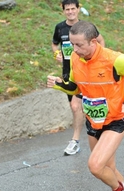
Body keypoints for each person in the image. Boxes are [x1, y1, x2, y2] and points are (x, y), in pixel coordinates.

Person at [47, 21, 124, 191]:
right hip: (93, 121)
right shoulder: (76, 58)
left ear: (93, 42)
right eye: (72, 45)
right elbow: (76, 88)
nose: (74, 50)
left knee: (94, 165)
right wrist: (59, 85)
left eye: (79, 45)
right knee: (108, 168)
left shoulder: (114, 59)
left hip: (116, 120)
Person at [51, 0, 105, 156]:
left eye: (72, 9)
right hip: (69, 72)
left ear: (78, 9)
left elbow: (100, 41)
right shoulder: (60, 28)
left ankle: (76, 141)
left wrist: (99, 59)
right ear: (63, 11)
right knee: (75, 107)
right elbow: (55, 44)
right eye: (67, 9)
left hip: (87, 72)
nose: (70, 12)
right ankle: (92, 135)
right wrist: (57, 54)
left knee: (80, 106)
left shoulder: (87, 28)